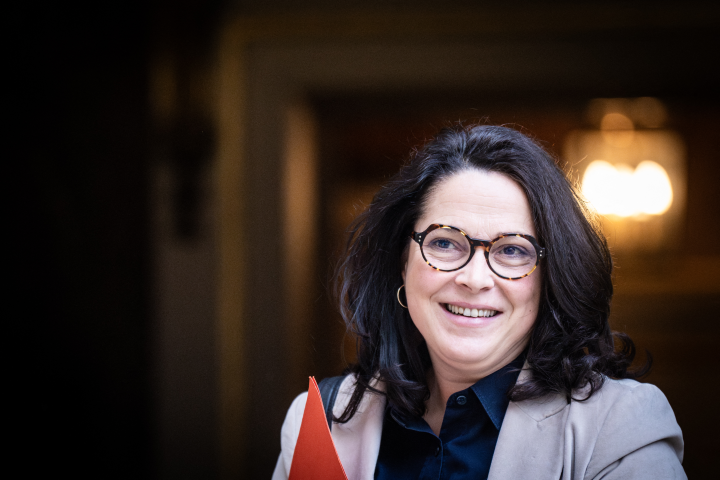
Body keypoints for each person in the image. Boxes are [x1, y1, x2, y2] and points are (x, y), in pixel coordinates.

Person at [272, 124, 685, 479]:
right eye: (445, 242)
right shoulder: (322, 419)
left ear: (550, 278)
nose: (473, 279)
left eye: (512, 250)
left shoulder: (620, 428)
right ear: (402, 262)